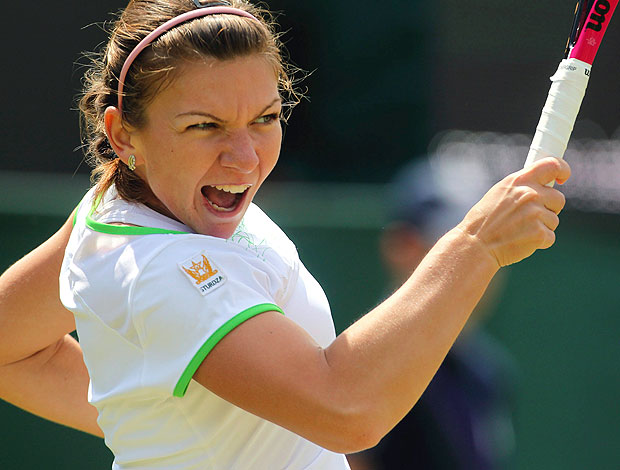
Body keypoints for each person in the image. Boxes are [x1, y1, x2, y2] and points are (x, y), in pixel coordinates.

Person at [0, 1, 571, 469]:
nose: (245, 157)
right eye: (205, 126)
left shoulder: (116, 204)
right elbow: (348, 410)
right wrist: (475, 244)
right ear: (124, 135)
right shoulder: (158, 266)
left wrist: (161, 417)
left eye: (265, 118)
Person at [347, 157, 517, 470]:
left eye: (489, 241)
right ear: (401, 246)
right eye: (456, 243)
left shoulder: (487, 373)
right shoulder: (368, 366)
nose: (480, 262)